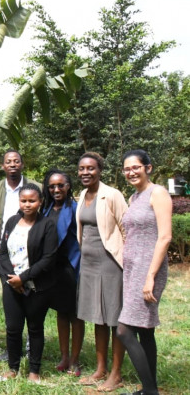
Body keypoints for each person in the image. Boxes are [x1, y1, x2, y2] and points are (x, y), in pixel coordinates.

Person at [116, 150, 172, 395]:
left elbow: (165, 237)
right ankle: (150, 388)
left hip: (148, 270)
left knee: (124, 331)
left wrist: (150, 276)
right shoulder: (133, 197)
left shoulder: (157, 193)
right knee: (145, 331)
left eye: (135, 167)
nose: (131, 172)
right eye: (127, 168)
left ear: (148, 168)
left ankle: (150, 390)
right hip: (132, 269)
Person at [76, 152, 128, 392]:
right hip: (88, 265)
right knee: (97, 317)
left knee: (114, 318)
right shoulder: (82, 195)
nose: (86, 173)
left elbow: (127, 229)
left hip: (110, 264)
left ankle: (116, 373)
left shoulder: (112, 195)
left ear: (100, 171)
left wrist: (129, 263)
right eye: (82, 169)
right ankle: (100, 368)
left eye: (91, 169)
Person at [0, 184, 57, 383]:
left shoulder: (47, 225)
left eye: (32, 201)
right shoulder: (12, 221)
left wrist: (23, 278)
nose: (28, 204)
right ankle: (13, 368)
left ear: (40, 202)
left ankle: (34, 371)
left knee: (35, 328)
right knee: (13, 328)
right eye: (24, 200)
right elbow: (2, 253)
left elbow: (48, 258)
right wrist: (11, 278)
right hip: (11, 285)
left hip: (36, 287)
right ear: (19, 201)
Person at [41, 169, 84, 376]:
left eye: (60, 185)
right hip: (54, 269)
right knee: (61, 312)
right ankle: (64, 356)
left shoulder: (76, 208)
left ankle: (75, 360)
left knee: (75, 314)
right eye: (52, 186)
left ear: (68, 186)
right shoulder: (47, 208)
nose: (56, 189)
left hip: (72, 266)